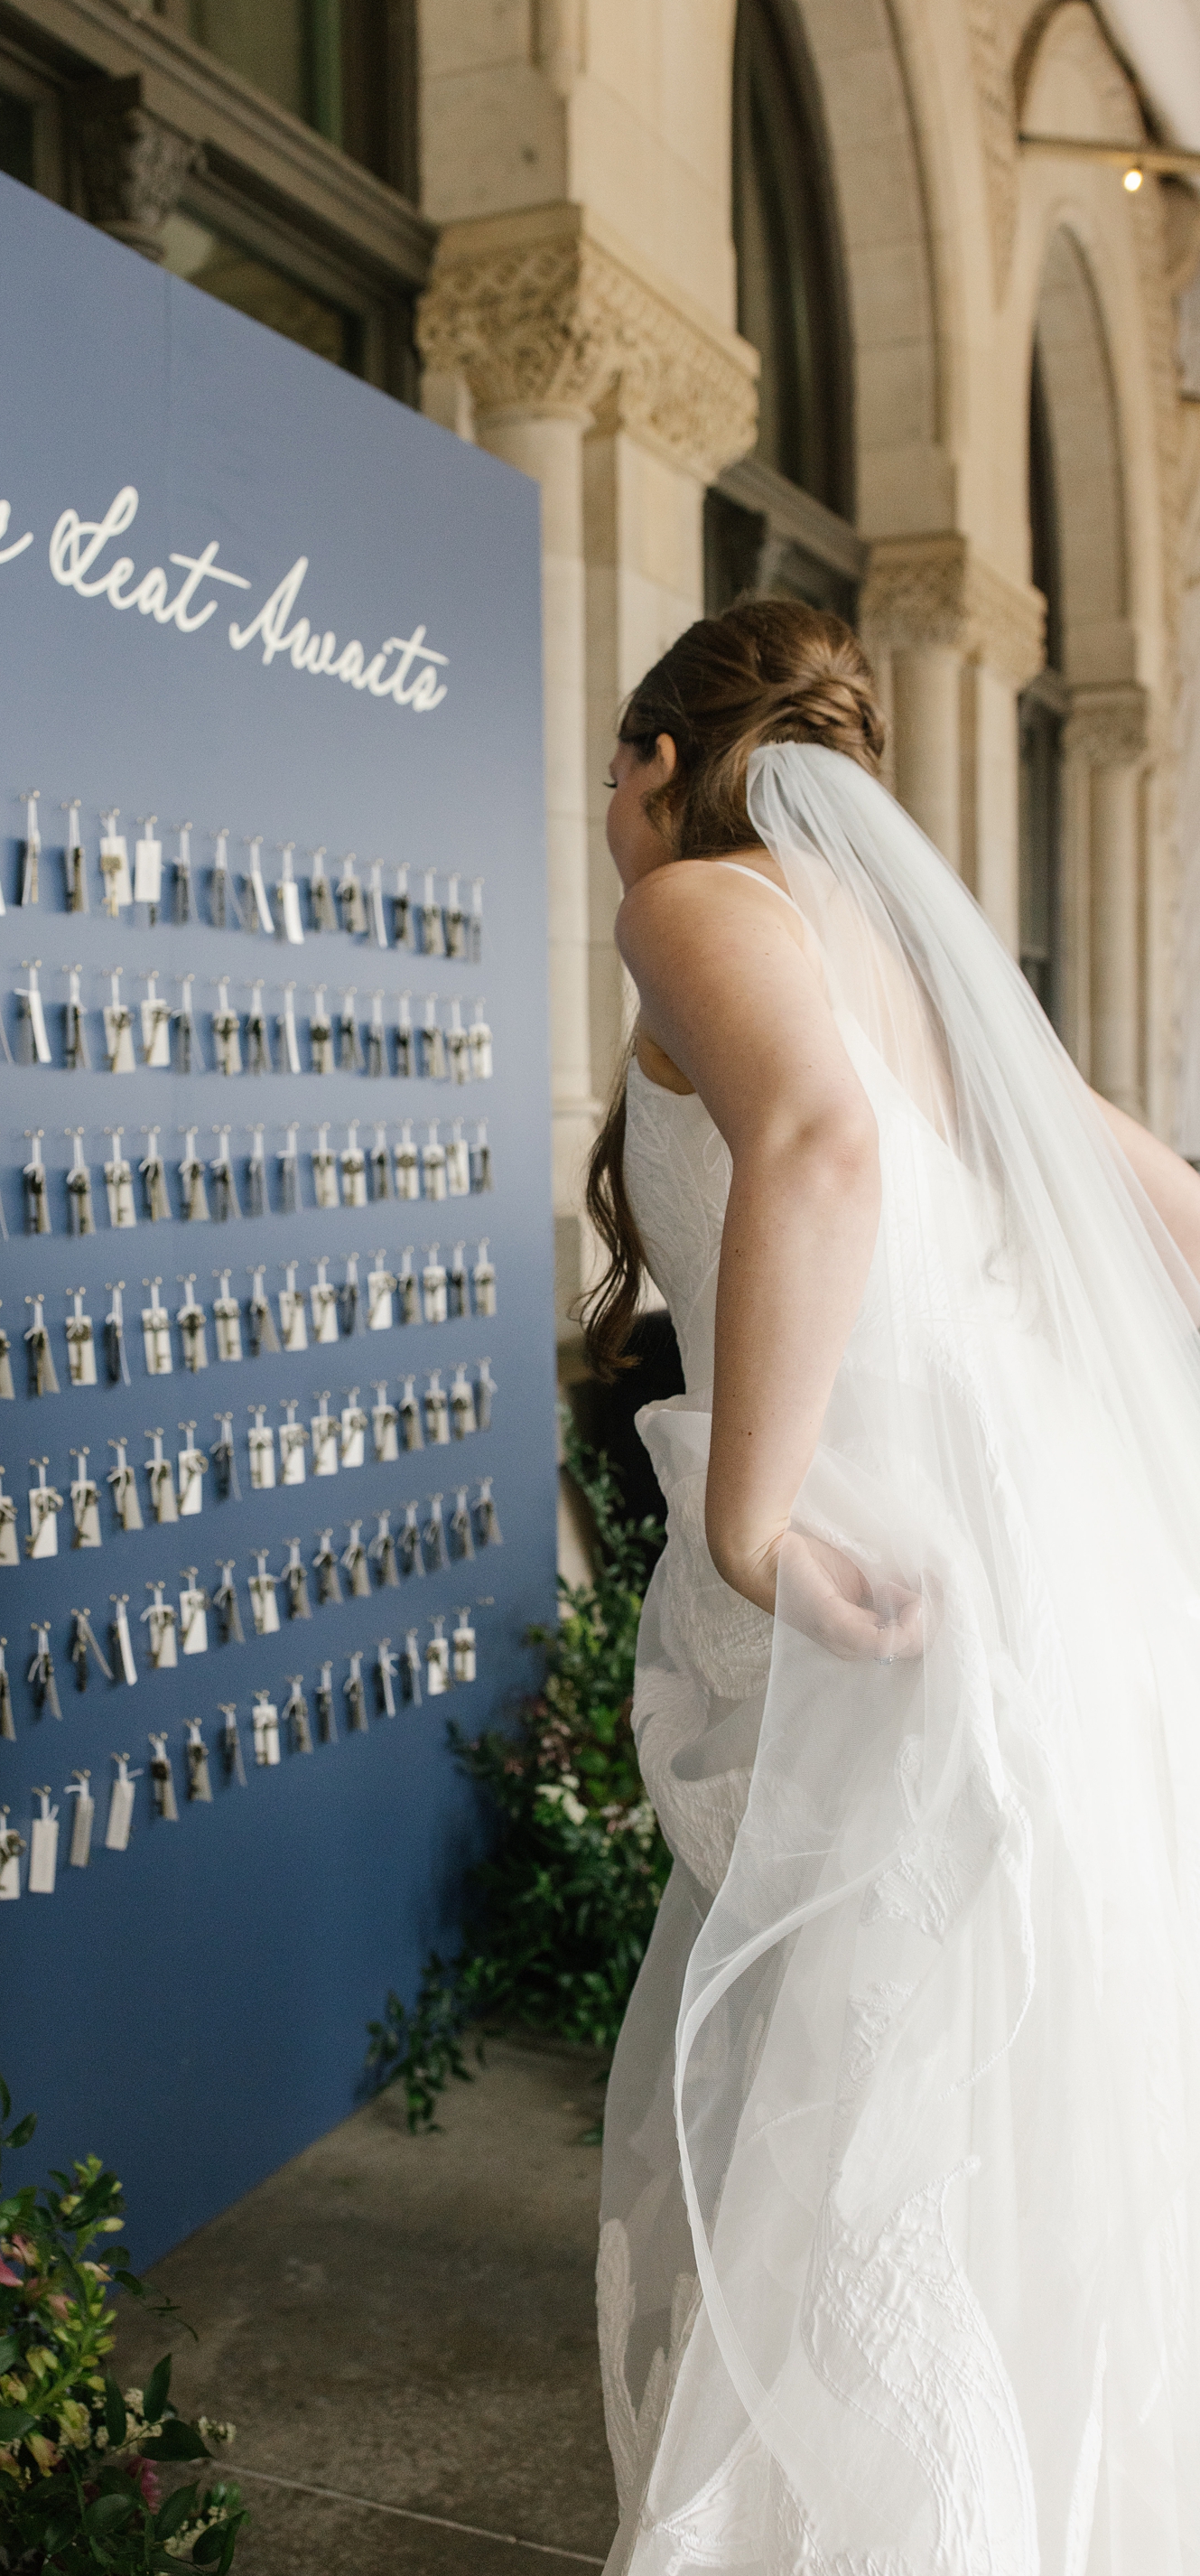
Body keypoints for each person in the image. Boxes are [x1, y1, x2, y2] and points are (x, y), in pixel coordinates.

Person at [587, 600, 1200, 2576]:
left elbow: (817, 1141)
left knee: (857, 2155)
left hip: (881, 1593)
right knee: (973, 2106)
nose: (606, 811)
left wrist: (749, 1523)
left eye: (612, 772)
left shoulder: (695, 902)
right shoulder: (919, 980)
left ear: (664, 764)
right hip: (1022, 1580)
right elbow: (1167, 1201)